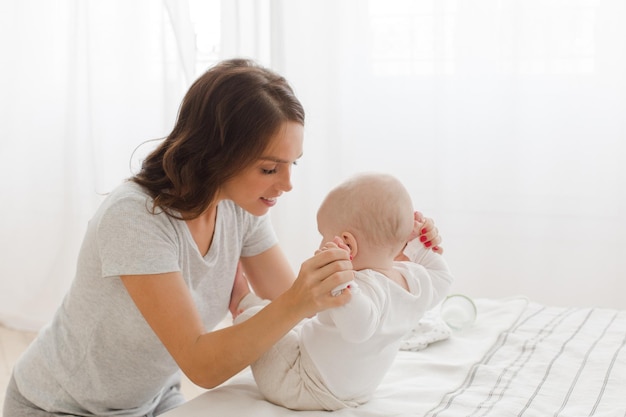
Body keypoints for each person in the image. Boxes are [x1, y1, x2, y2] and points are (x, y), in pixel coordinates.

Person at [3, 59, 441, 417]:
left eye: (293, 165)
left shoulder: (239, 207)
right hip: (61, 406)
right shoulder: (135, 218)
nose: (286, 184)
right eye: (270, 168)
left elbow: (298, 309)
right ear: (216, 153)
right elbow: (203, 364)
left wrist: (396, 253)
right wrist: (296, 302)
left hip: (153, 399)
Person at [231, 172, 453, 411]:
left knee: (254, 318)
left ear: (347, 244)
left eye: (322, 235)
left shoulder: (361, 290)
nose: (320, 244)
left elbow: (359, 328)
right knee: (295, 324)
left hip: (304, 384)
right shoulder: (412, 280)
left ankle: (243, 302)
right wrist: (421, 246)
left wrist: (338, 279)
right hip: (358, 390)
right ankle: (257, 305)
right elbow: (443, 278)